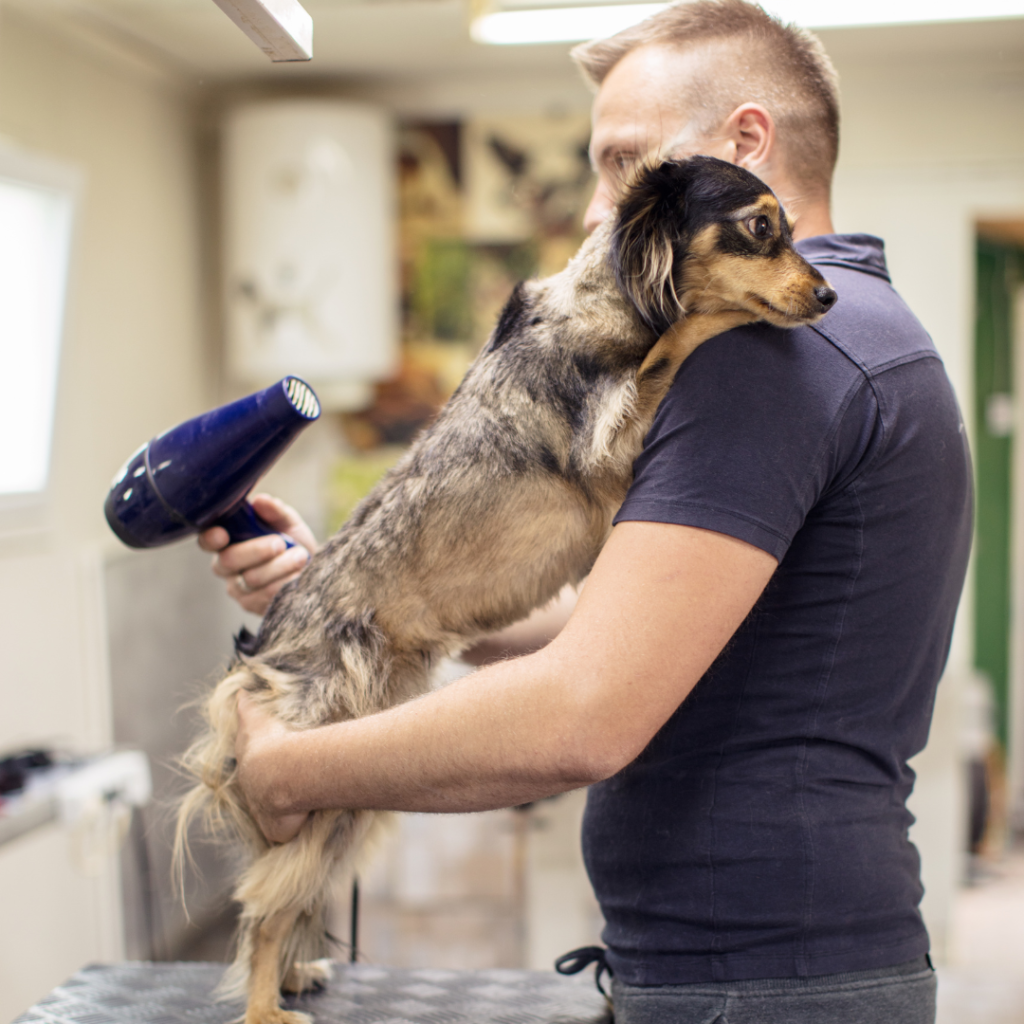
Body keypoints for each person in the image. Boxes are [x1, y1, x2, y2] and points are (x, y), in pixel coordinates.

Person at [199, 3, 972, 1020]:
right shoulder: (868, 339)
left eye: (624, 164)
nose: (600, 207)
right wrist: (357, 587)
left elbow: (584, 710)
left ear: (744, 145)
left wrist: (289, 764)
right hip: (778, 957)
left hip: (757, 977)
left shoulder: (764, 357)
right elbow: (628, 631)